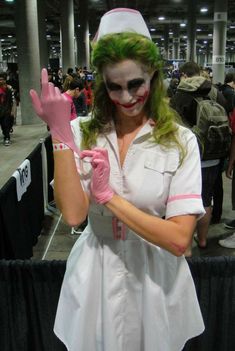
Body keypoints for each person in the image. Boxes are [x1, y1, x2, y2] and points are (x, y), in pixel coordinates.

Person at [30, 8, 205, 351]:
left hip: (156, 278)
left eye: (135, 84)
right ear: (102, 83)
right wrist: (60, 133)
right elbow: (75, 215)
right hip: (96, 274)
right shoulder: (81, 132)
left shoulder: (180, 142)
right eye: (115, 87)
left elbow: (179, 239)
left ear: (153, 75)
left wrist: (109, 197)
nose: (126, 98)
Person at [170, 61, 227, 251]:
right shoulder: (215, 91)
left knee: (184, 200)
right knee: (206, 199)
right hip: (214, 153)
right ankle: (202, 240)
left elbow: (171, 124)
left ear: (184, 75)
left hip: (189, 155)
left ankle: (185, 246)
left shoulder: (181, 94)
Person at [0, 72, 14, 146]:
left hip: (6, 110)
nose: (1, 81)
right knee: (3, 125)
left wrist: (12, 111)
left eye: (2, 79)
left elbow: (12, 101)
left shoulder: (9, 89)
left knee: (5, 124)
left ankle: (7, 138)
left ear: (5, 80)